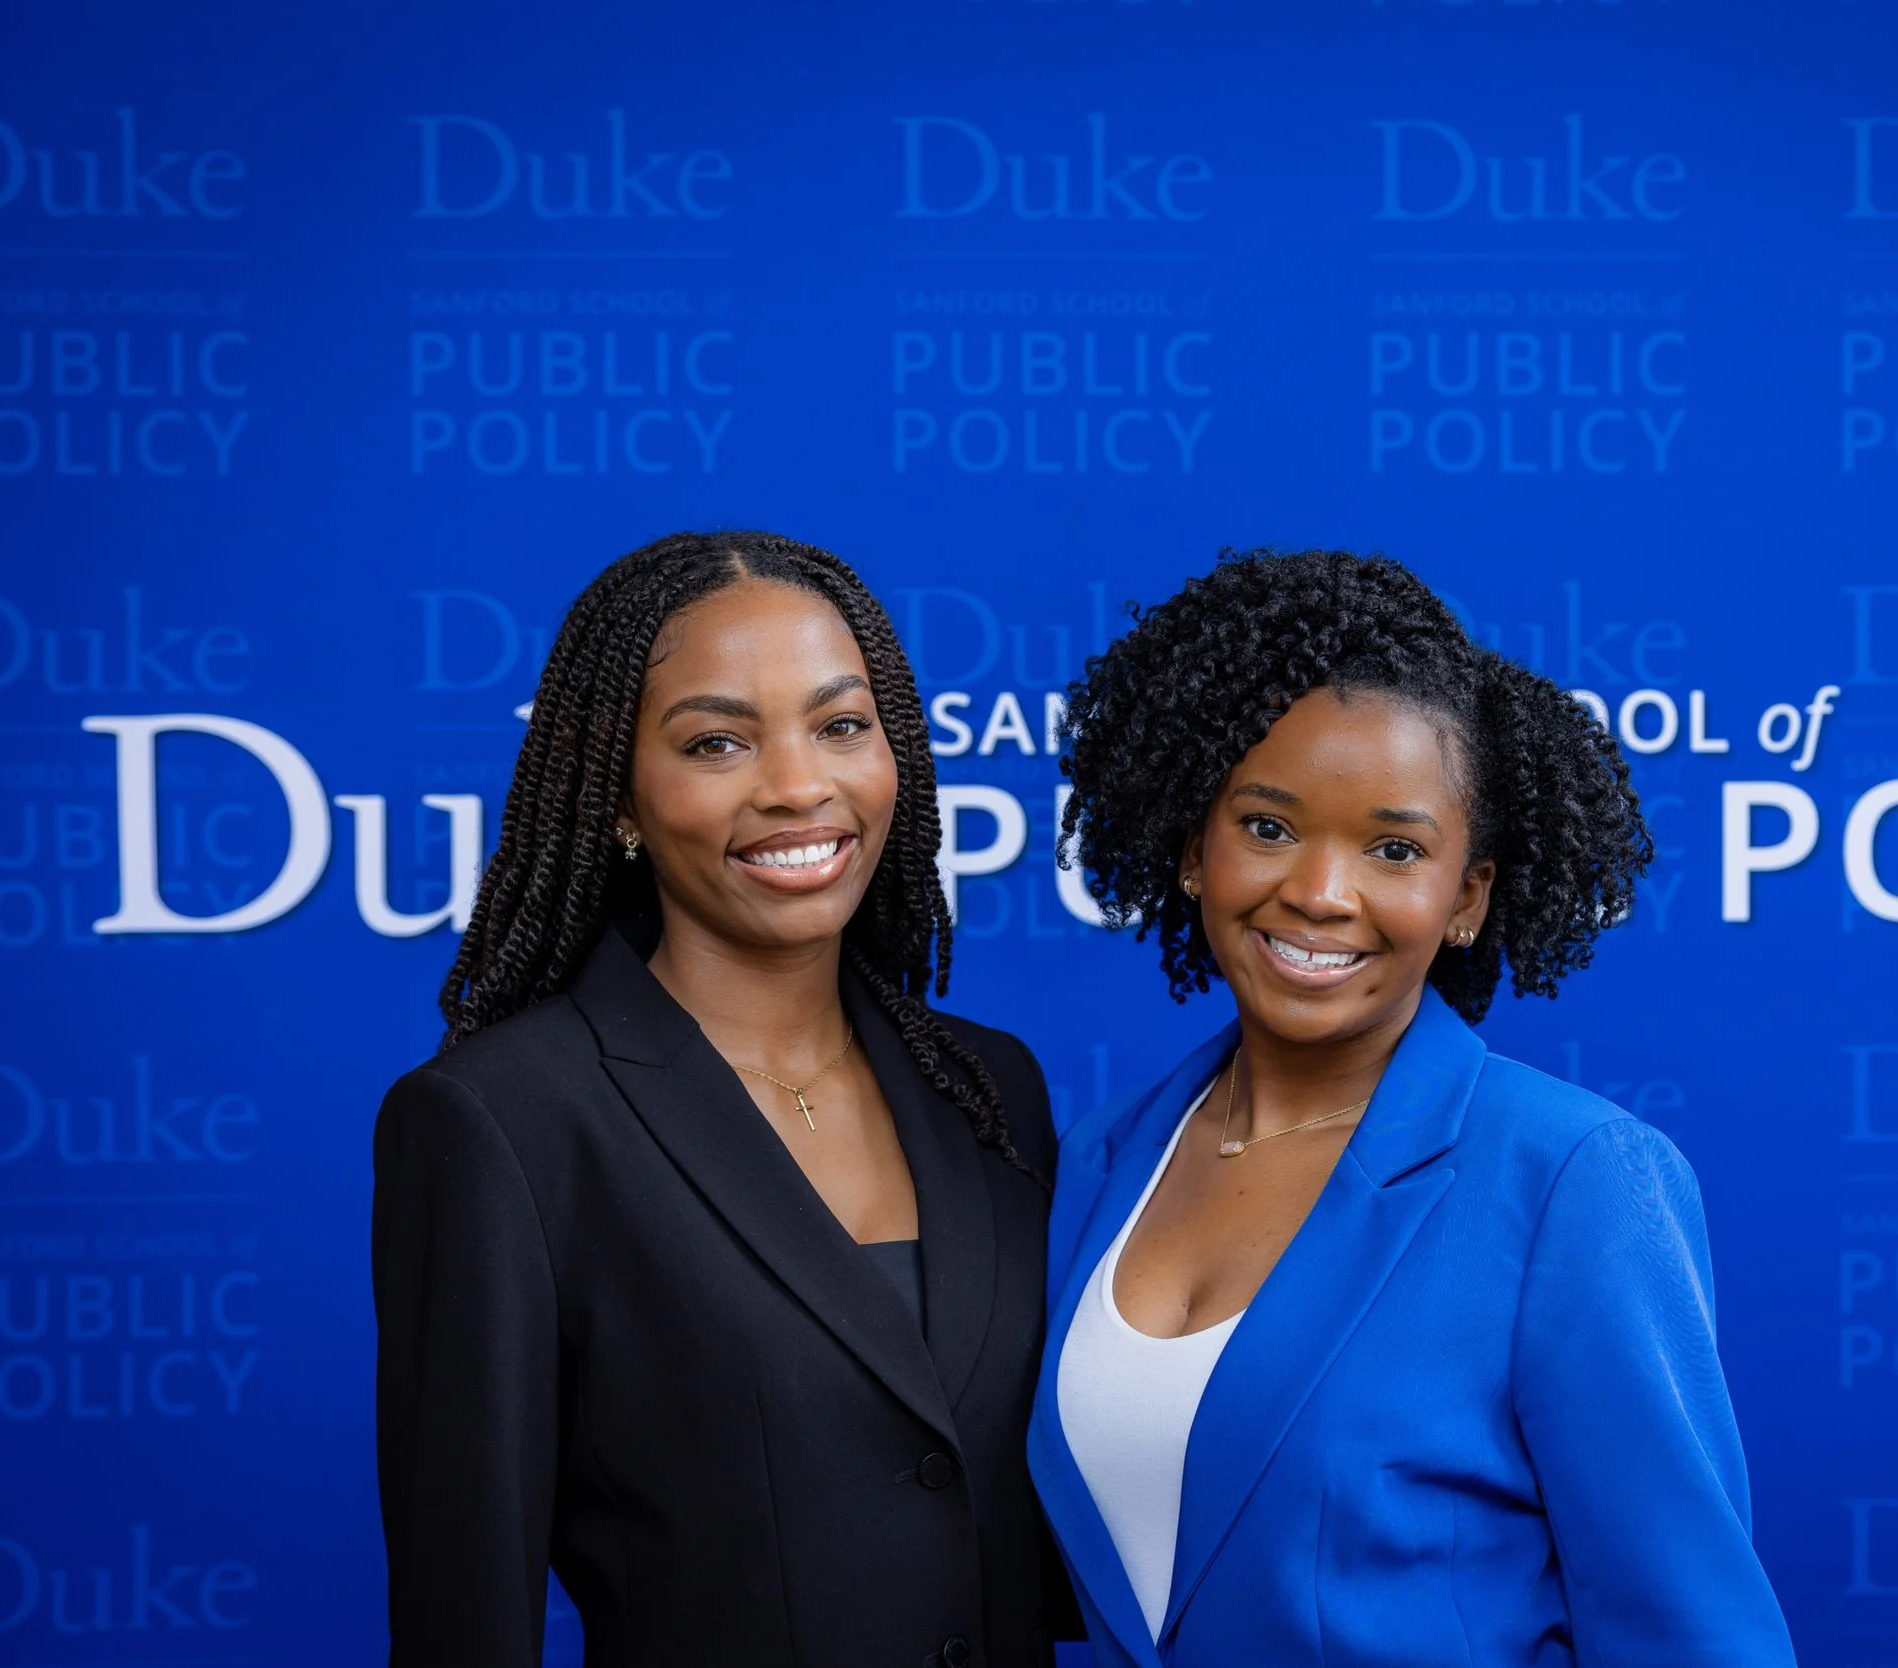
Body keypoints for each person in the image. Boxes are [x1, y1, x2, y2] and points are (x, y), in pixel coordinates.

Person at [1031, 550, 1795, 1666]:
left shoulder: (1569, 1181)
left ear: (1466, 899)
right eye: (1268, 827)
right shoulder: (1100, 1163)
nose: (1321, 893)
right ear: (1194, 849)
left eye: (1394, 849)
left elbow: (1693, 1636)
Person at [374, 531, 1069, 1668]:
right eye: (715, 742)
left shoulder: (992, 1090)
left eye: (843, 725)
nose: (800, 785)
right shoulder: (503, 1123)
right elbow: (465, 1613)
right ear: (620, 801)